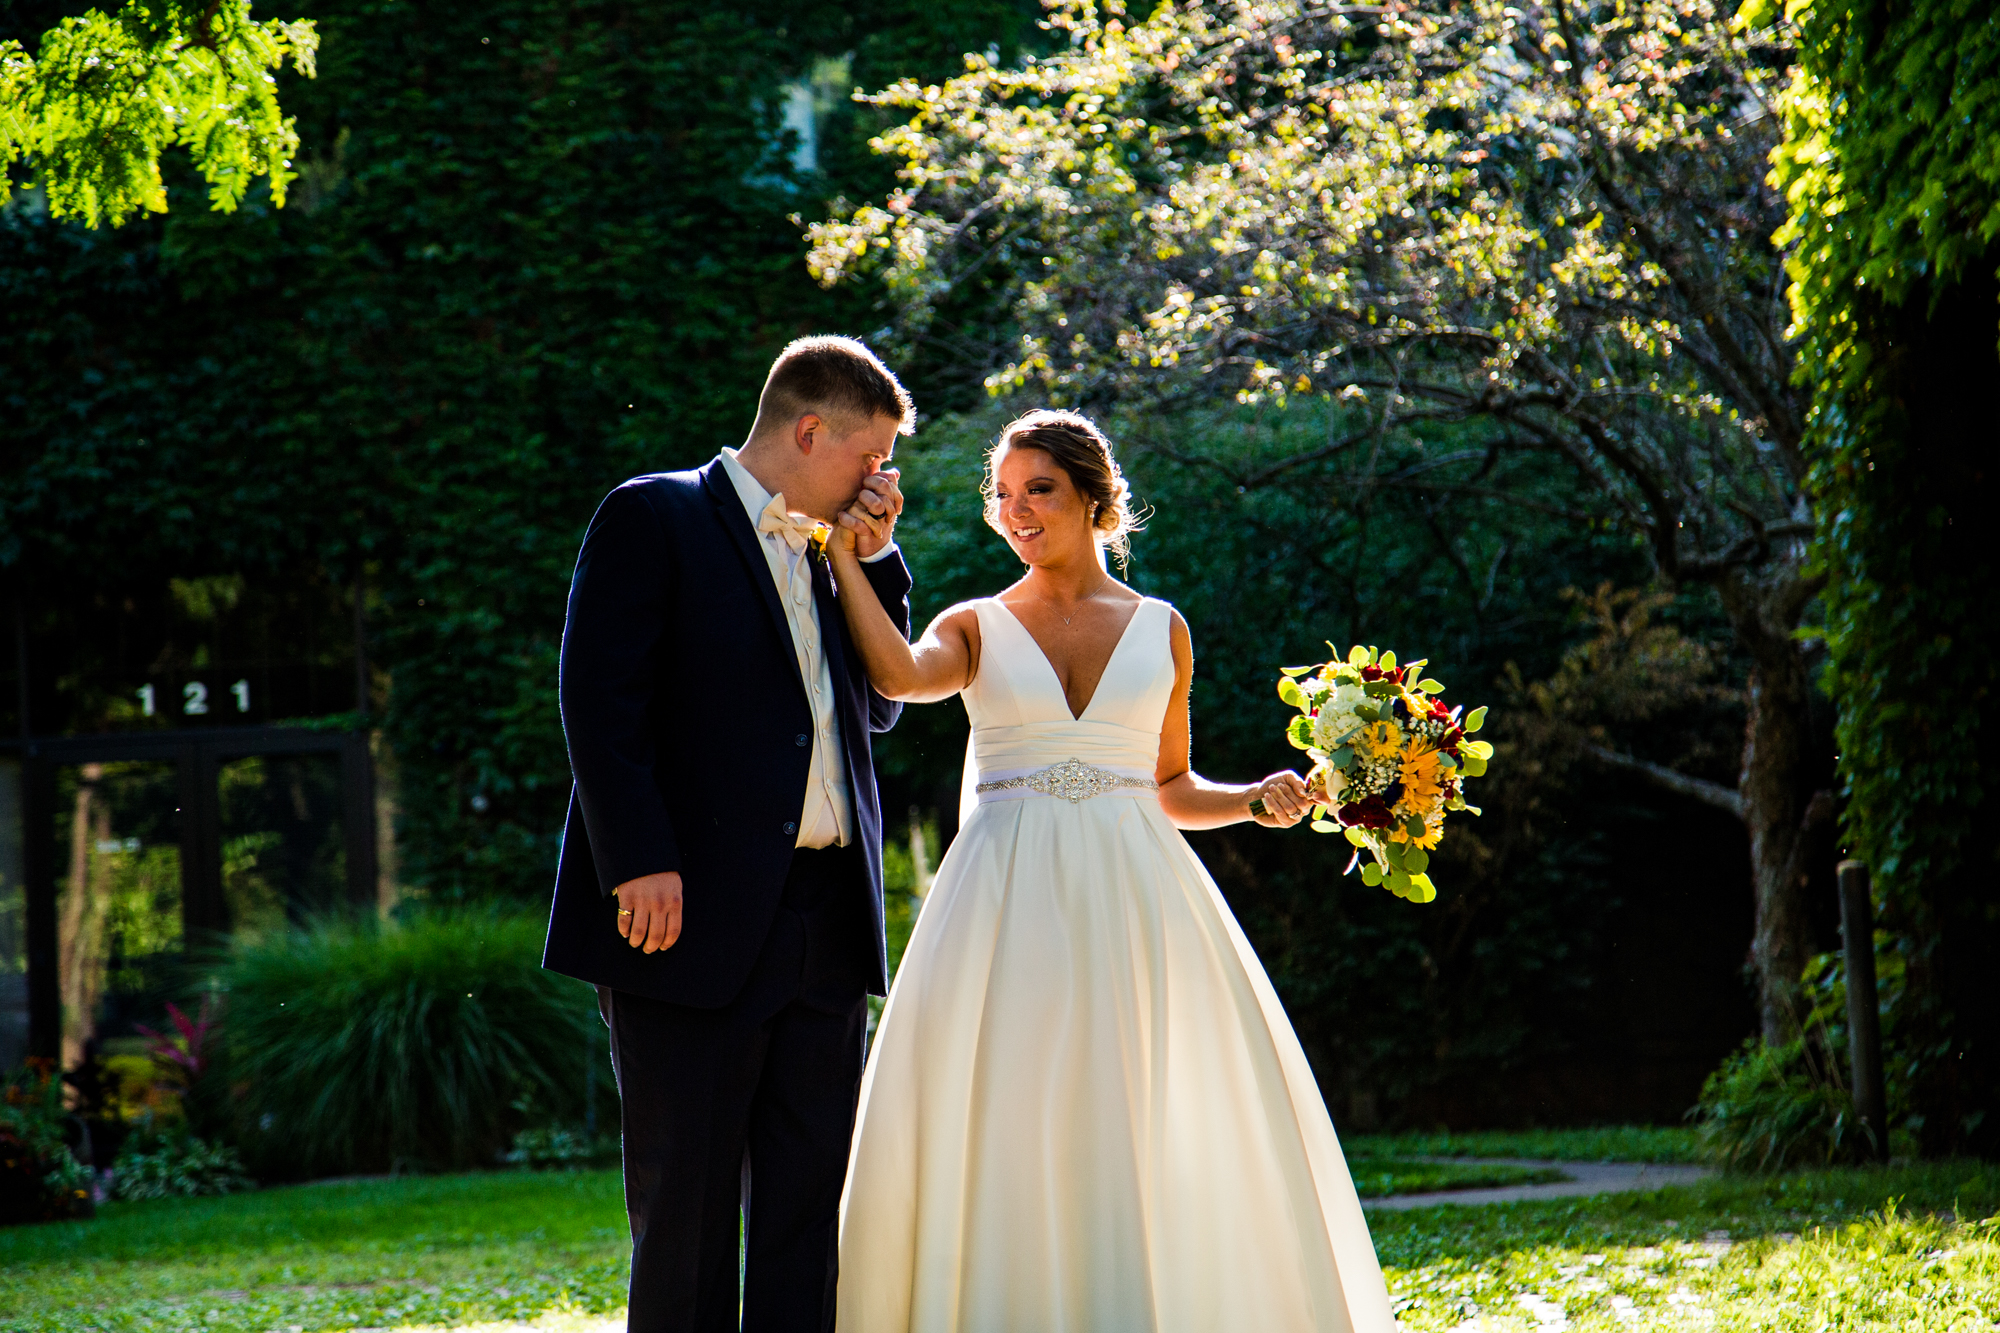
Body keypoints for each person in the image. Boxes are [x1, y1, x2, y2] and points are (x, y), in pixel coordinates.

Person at [825, 409, 1398, 1332]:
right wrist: (848, 561)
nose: (1016, 511)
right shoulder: (973, 623)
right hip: (1005, 906)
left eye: (1038, 490)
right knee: (1012, 1111)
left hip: (1139, 900)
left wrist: (1254, 796)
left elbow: (1169, 784)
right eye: (1002, 495)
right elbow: (895, 675)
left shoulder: (1162, 629)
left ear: (1093, 497)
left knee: (1135, 1110)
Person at [541, 335, 916, 1333]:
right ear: (808, 430)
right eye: (870, 458)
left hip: (825, 925)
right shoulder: (652, 514)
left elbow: (880, 707)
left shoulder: (842, 545)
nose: (882, 482)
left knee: (804, 1214)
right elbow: (596, 701)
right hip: (685, 918)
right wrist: (641, 861)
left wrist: (870, 566)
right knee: (687, 1209)